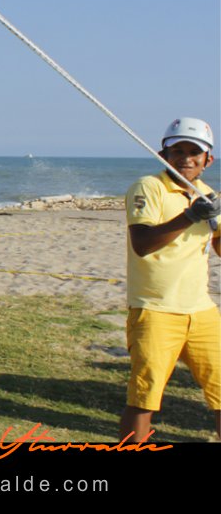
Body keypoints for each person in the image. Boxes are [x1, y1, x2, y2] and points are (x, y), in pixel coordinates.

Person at [119, 117, 220, 441]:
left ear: (208, 160)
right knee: (144, 398)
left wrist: (215, 221)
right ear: (163, 156)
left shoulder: (209, 196)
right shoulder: (148, 187)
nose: (186, 158)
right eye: (178, 151)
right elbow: (143, 243)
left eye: (194, 152)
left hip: (202, 312)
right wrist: (190, 215)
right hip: (154, 310)